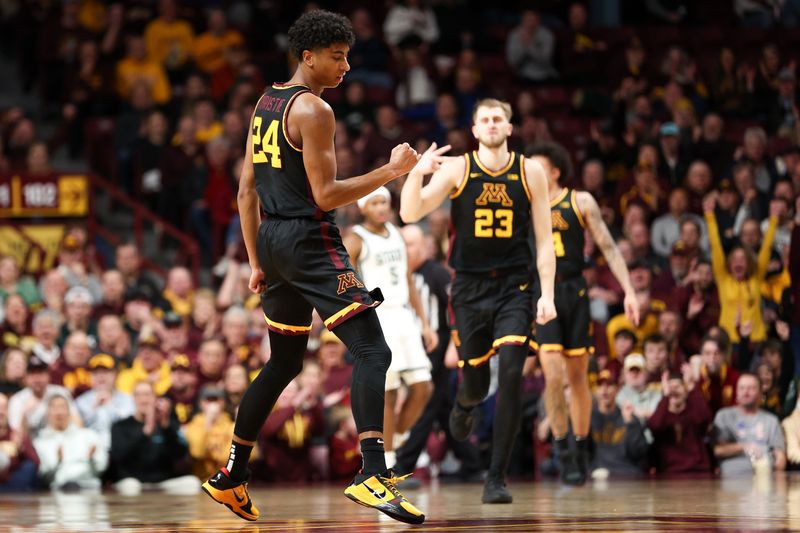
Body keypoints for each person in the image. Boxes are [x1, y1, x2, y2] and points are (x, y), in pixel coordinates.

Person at [202, 10, 426, 525]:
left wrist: (257, 261)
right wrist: (391, 171)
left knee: (282, 363)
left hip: (273, 242)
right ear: (308, 56)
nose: (346, 66)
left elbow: (246, 190)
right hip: (308, 239)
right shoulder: (314, 111)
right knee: (373, 348)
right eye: (337, 56)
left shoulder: (265, 102)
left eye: (347, 55)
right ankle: (372, 474)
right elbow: (326, 195)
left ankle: (233, 475)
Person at [400, 98, 557, 503]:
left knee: (510, 376)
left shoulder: (530, 171)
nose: (491, 124)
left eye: (498, 119)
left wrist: (548, 294)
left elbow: (544, 241)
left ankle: (496, 478)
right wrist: (417, 172)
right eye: (484, 119)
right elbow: (409, 211)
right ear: (474, 130)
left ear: (509, 127)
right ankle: (465, 403)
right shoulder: (457, 168)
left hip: (514, 288)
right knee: (475, 382)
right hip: (468, 289)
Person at [526, 141, 639, 486]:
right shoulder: (524, 204)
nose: (531, 173)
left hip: (573, 291)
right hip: (543, 293)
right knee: (553, 375)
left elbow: (607, 246)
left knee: (578, 379)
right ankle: (562, 452)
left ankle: (580, 448)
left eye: (538, 167)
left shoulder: (580, 201)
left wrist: (629, 290)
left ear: (556, 171)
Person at [344, 187, 436, 468]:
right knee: (390, 392)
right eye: (375, 203)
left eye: (385, 202)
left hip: (405, 317)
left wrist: (425, 324)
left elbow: (408, 279)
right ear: (363, 208)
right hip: (380, 317)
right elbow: (343, 279)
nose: (382, 207)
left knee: (424, 387)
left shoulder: (397, 232)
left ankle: (396, 436)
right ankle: (388, 459)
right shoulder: (356, 239)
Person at [713, 373, 786, 476]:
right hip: (732, 481)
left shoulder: (771, 420)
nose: (745, 392)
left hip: (766, 480)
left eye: (751, 388)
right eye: (742, 388)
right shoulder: (724, 416)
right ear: (736, 392)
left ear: (761, 393)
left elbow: (780, 456)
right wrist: (744, 447)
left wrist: (778, 482)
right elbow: (718, 450)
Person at [648, 371, 713, 474]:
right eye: (670, 387)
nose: (673, 390)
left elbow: (706, 419)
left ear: (686, 390)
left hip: (698, 469)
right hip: (669, 472)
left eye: (678, 386)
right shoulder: (662, 414)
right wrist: (665, 396)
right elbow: (655, 426)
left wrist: (692, 388)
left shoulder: (693, 410)